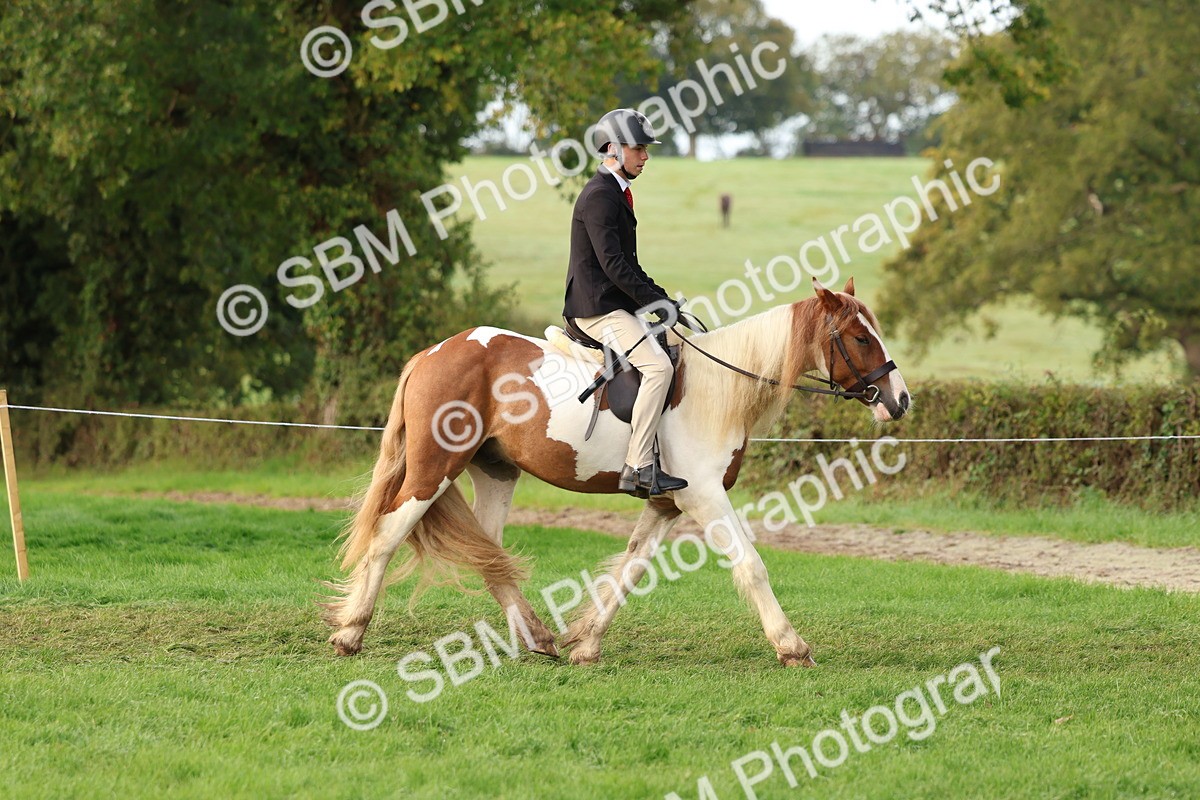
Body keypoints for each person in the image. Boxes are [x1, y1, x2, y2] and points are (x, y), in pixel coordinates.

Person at [563, 108, 688, 496]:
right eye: (639, 149)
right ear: (614, 149)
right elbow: (614, 265)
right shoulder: (601, 196)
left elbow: (628, 264)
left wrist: (661, 297)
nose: (646, 156)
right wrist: (654, 301)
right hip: (597, 309)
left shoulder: (615, 193)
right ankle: (639, 467)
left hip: (613, 304)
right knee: (658, 369)